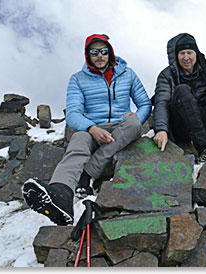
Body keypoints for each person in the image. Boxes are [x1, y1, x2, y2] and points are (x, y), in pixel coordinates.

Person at [22, 34, 152, 225]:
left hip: (122, 125)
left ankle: (87, 174)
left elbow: (145, 104)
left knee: (133, 124)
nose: (99, 55)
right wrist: (91, 127)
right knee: (79, 140)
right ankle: (61, 194)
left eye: (103, 51)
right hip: (93, 127)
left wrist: (137, 116)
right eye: (94, 52)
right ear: (87, 55)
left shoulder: (128, 74)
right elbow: (73, 114)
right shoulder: (78, 79)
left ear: (110, 53)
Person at [152, 33, 206, 162]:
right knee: (182, 90)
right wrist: (161, 129)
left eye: (190, 52)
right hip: (180, 125)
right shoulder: (166, 75)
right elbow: (161, 103)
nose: (186, 57)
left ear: (196, 54)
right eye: (182, 53)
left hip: (203, 121)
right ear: (176, 56)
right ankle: (204, 148)